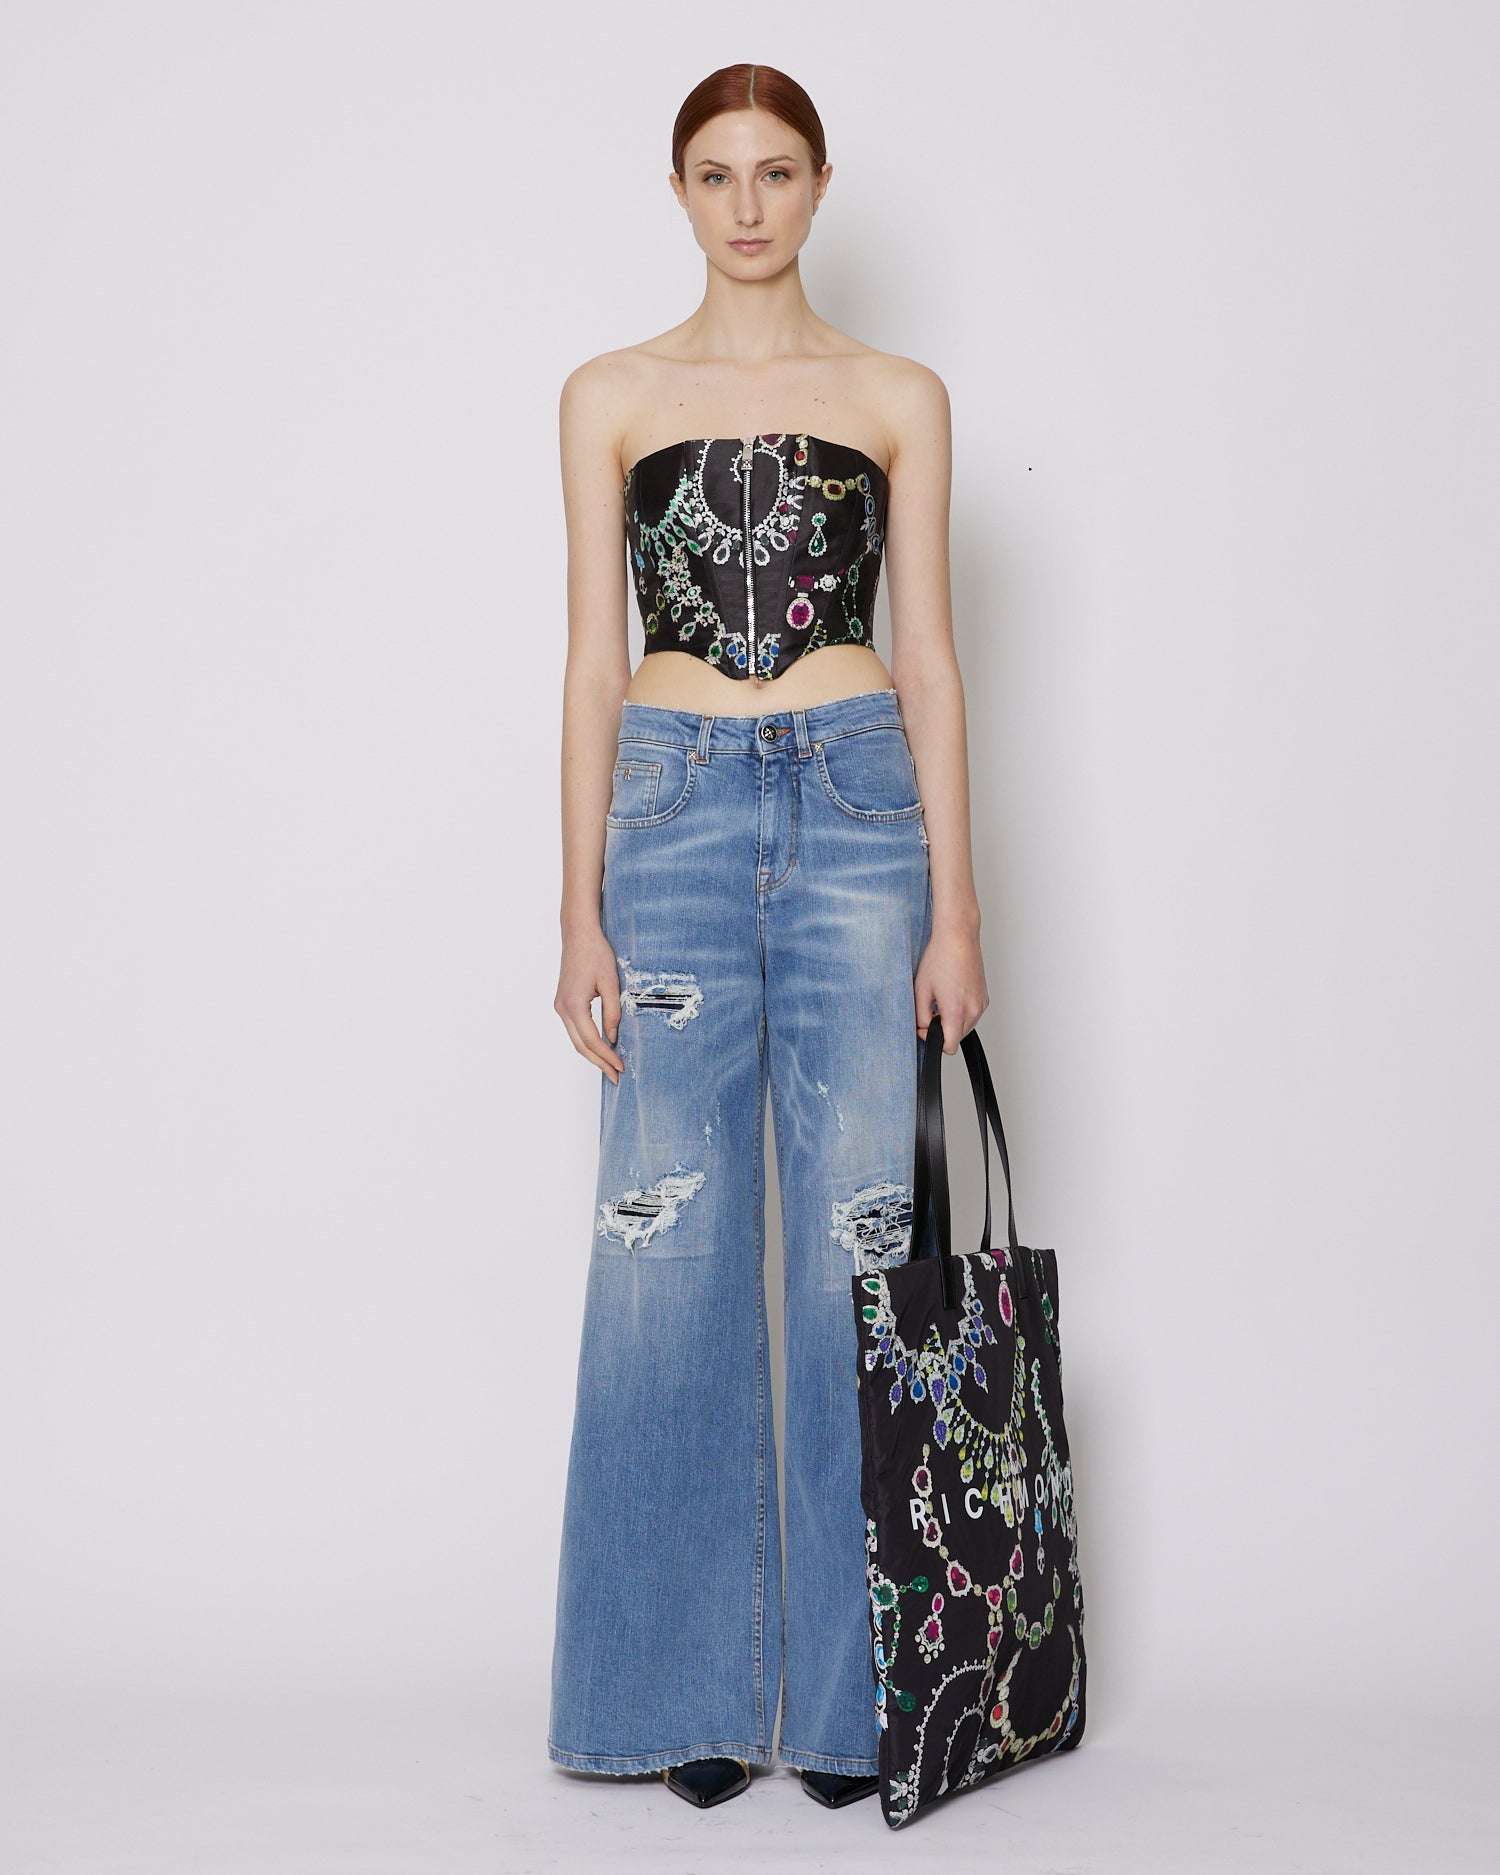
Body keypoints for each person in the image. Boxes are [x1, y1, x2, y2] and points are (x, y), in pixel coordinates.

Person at [546, 62, 989, 1811]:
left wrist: (959, 911)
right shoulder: (609, 393)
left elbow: (932, 656)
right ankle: (680, 1695)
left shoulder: (896, 394)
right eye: (718, 174)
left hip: (860, 803)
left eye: (778, 172)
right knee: (665, 1253)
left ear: (819, 186)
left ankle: (857, 1710)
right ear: (679, 190)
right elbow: (592, 661)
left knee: (860, 1245)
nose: (748, 204)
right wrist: (573, 904)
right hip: (668, 806)